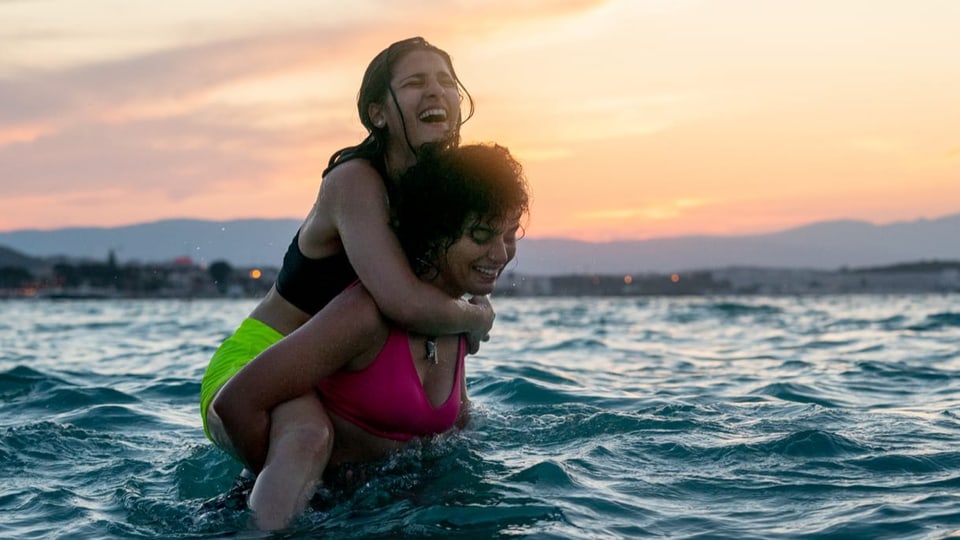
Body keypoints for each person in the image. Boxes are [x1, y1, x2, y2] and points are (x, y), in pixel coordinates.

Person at [199, 36, 494, 523]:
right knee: (307, 438)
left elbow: (448, 301)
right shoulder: (354, 182)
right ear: (378, 113)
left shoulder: (438, 193)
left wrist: (465, 320)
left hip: (335, 370)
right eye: (415, 82)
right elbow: (403, 302)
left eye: (446, 82)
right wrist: (479, 316)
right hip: (262, 360)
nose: (436, 92)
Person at [214, 143, 530, 529]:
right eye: (481, 234)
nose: (500, 253)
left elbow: (455, 436)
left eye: (510, 234)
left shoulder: (457, 319)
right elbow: (237, 403)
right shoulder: (364, 315)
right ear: (436, 231)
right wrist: (292, 486)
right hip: (298, 516)